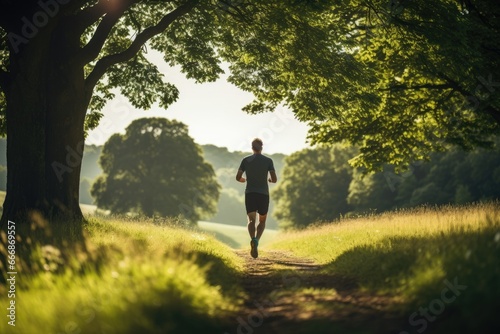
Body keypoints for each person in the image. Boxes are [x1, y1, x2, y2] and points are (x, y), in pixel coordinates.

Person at [236, 138, 277, 258]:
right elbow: (274, 179)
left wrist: (245, 180)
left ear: (252, 147)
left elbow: (238, 177)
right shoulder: (268, 160)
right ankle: (256, 241)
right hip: (263, 194)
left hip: (250, 193)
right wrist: (269, 179)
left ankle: (252, 238)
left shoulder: (246, 160)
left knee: (251, 220)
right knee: (262, 221)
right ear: (262, 147)